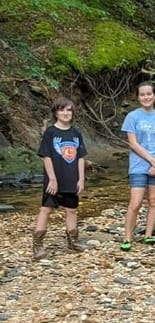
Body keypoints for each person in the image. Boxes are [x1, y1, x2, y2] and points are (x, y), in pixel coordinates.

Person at [120, 81, 155, 251]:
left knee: (153, 200)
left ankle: (149, 234)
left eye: (149, 94)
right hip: (138, 165)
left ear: (154, 96)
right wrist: (152, 160)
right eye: (142, 95)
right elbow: (133, 144)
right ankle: (127, 237)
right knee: (135, 203)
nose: (146, 97)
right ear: (138, 97)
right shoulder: (132, 117)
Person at [32, 97, 88, 260]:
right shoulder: (51, 132)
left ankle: (73, 241)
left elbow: (80, 157)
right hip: (54, 179)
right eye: (62, 110)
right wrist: (52, 179)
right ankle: (37, 245)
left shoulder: (76, 133)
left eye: (69, 110)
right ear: (56, 113)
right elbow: (46, 156)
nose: (65, 113)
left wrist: (81, 179)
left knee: (71, 209)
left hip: (72, 178)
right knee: (46, 209)